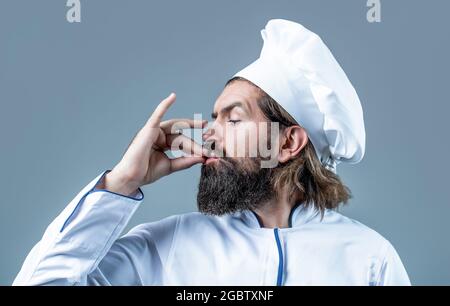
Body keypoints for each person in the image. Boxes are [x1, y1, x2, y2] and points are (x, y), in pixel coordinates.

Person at [13, 19, 410, 286]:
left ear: (288, 143)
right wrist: (121, 182)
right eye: (214, 118)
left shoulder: (369, 259)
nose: (211, 135)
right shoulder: (165, 247)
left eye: (233, 120)